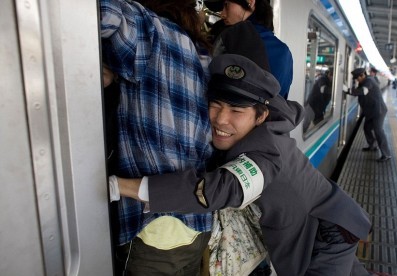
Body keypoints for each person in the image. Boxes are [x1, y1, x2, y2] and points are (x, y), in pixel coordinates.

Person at [110, 54, 372, 276]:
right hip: (329, 219)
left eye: (236, 111)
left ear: (261, 116)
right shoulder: (265, 123)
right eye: (215, 105)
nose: (221, 119)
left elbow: (219, 189)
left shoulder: (265, 155)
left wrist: (122, 186)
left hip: (325, 234)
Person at [100, 0, 214, 274]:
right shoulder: (203, 57)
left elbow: (96, 12)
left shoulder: (146, 28)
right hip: (198, 225)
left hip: (154, 227)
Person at [217, 0, 293, 99]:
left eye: (226, 5)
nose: (222, 14)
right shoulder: (284, 51)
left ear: (250, 2)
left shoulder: (230, 43)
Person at [347, 68, 392, 162]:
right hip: (371, 111)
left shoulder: (369, 80)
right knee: (367, 128)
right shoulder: (363, 82)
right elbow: (358, 92)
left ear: (362, 75)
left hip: (378, 111)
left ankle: (386, 154)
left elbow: (363, 91)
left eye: (357, 78)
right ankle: (373, 146)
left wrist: (348, 90)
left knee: (378, 131)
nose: (357, 80)